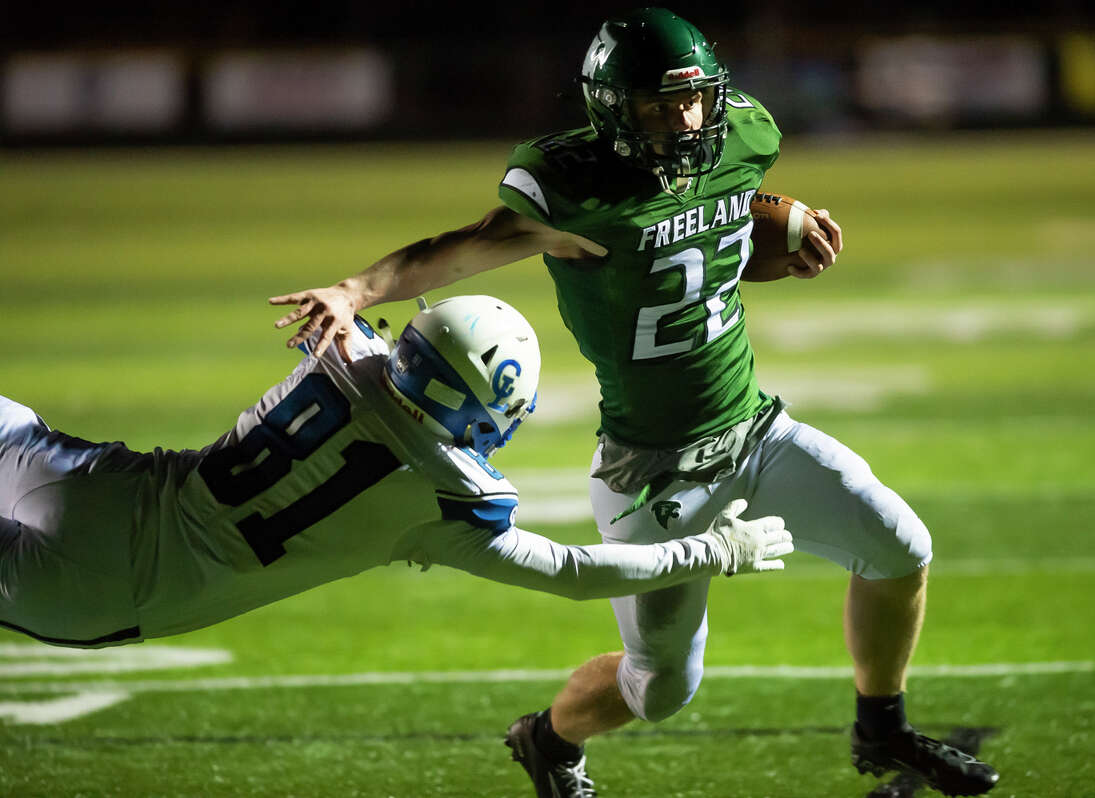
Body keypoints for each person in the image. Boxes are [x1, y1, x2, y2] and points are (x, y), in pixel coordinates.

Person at [268, 9, 999, 796]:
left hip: (754, 427)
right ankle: (548, 740)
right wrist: (355, 290)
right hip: (651, 467)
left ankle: (881, 727)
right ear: (612, 108)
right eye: (658, 104)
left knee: (900, 546)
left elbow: (703, 249)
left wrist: (776, 249)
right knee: (661, 688)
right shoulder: (572, 191)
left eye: (693, 99)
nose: (684, 119)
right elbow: (463, 250)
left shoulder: (743, 137)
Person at [0, 295, 794, 650]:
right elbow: (576, 572)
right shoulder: (443, 498)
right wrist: (711, 552)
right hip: (108, 593)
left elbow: (358, 334)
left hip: (86, 478)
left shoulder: (346, 353)